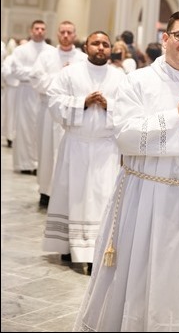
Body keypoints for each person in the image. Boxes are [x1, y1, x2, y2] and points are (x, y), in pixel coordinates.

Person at [74, 10, 179, 332]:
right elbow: (124, 134)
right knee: (137, 270)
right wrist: (175, 117)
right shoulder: (137, 81)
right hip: (144, 196)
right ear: (165, 39)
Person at [42, 30, 126, 273]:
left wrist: (108, 104)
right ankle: (68, 246)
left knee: (102, 198)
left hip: (105, 148)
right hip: (75, 146)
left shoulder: (121, 77)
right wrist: (83, 102)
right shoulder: (70, 73)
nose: (101, 48)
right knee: (72, 195)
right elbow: (54, 101)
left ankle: (94, 251)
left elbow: (131, 109)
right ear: (86, 47)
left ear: (110, 49)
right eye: (96, 43)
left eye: (105, 44)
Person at [30, 20, 87, 208]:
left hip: (71, 112)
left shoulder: (81, 58)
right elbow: (37, 80)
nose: (65, 35)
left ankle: (64, 194)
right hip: (48, 111)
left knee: (68, 153)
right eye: (62, 32)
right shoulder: (46, 56)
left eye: (69, 32)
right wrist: (61, 75)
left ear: (75, 35)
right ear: (57, 34)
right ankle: (45, 191)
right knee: (46, 152)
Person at [10, 20, 55, 174]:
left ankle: (39, 164)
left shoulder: (51, 51)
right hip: (25, 92)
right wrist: (38, 75)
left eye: (43, 28)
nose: (40, 31)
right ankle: (25, 164)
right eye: (37, 28)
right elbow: (16, 71)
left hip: (44, 93)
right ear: (31, 30)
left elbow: (54, 74)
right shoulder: (21, 50)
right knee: (24, 127)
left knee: (40, 128)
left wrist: (39, 76)